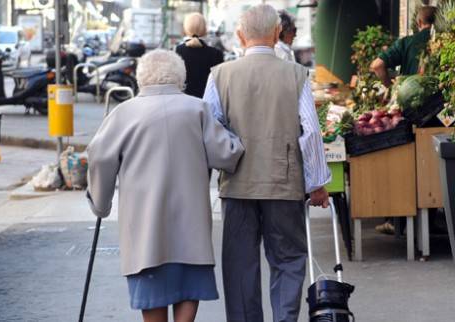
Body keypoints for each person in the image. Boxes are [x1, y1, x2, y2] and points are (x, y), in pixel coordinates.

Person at [86, 49, 244, 322]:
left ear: (140, 78)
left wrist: (100, 204)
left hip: (146, 226)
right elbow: (225, 155)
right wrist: (237, 139)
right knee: (189, 284)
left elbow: (99, 157)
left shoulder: (123, 113)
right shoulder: (198, 109)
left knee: (152, 289)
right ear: (180, 77)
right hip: (190, 224)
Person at [202, 4, 331, 322]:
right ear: (277, 33)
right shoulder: (296, 75)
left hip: (238, 185)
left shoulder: (220, 75)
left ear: (239, 35)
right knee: (288, 260)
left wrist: (229, 159)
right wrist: (316, 183)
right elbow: (311, 131)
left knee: (240, 266)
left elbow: (208, 129)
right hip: (284, 183)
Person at [369, 6, 435, 235]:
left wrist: (389, 84)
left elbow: (377, 65)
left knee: (405, 165)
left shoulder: (408, 43)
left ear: (418, 22)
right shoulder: (446, 42)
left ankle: (400, 222)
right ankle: (431, 221)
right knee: (432, 171)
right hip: (440, 114)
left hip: (410, 112)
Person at [176, 13, 224, 98]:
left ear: (185, 28)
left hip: (182, 102)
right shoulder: (216, 54)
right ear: (205, 29)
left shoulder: (177, 51)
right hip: (207, 103)